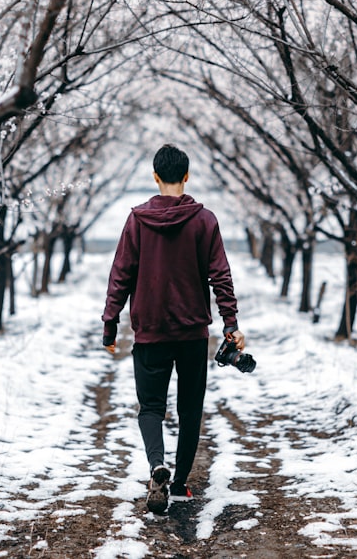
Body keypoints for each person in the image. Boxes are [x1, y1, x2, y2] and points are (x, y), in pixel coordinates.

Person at [101, 144, 246, 515]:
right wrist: (230, 323)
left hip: (150, 331)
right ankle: (179, 484)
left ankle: (156, 466)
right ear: (186, 176)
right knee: (190, 408)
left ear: (155, 176)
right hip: (192, 332)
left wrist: (110, 322)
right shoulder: (205, 221)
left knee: (150, 407)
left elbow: (121, 274)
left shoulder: (136, 220)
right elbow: (221, 276)